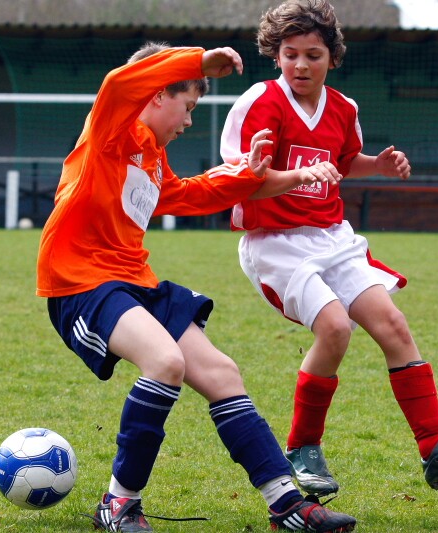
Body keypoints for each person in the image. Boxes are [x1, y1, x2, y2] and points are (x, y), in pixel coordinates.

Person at [37, 41, 355, 532]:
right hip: (81, 283)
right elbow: (119, 83)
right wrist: (199, 60)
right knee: (166, 363)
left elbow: (186, 194)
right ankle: (118, 504)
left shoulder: (151, 155)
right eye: (187, 106)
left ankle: (287, 505)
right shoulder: (111, 131)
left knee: (222, 373)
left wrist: (248, 175)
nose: (188, 121)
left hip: (134, 282)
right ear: (157, 93)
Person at [220, 0, 438, 497]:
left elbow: (343, 160)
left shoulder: (343, 108)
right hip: (276, 242)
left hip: (332, 237)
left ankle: (435, 446)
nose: (300, 65)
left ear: (333, 57)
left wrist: (379, 165)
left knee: (393, 324)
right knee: (333, 328)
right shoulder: (260, 102)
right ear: (276, 55)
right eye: (290, 54)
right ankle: (303, 448)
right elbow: (243, 181)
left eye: (313, 55)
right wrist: (299, 175)